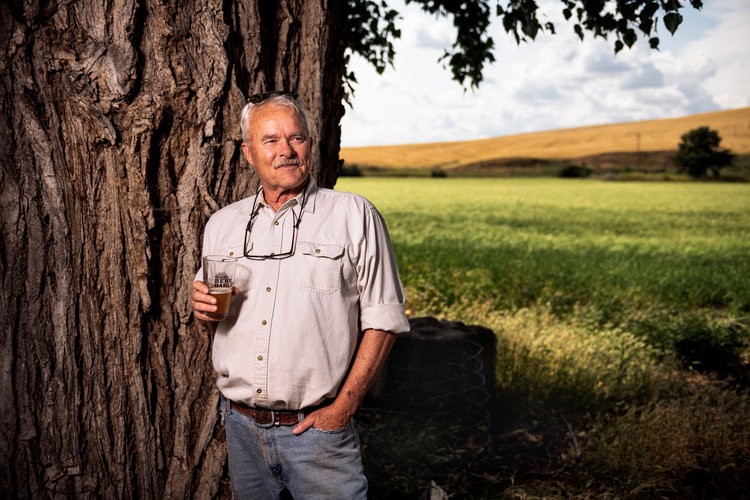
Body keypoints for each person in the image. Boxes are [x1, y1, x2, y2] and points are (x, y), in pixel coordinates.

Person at [190, 92, 410, 499]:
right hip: (240, 428)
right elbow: (214, 319)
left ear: (310, 144)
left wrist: (342, 409)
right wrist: (204, 311)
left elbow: (385, 319)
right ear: (248, 152)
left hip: (317, 435)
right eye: (271, 140)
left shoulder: (354, 215)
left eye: (297, 138)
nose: (287, 151)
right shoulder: (222, 225)